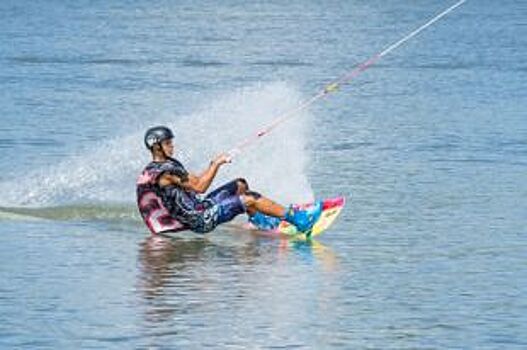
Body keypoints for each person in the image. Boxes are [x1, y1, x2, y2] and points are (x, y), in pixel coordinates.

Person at [136, 126, 322, 235]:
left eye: (171, 142)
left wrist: (213, 163)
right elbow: (200, 187)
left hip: (200, 207)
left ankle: (259, 222)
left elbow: (194, 182)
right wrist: (216, 164)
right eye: (168, 143)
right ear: (156, 147)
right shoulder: (163, 172)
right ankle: (299, 220)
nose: (172, 146)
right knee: (250, 198)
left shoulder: (169, 164)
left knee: (240, 185)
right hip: (199, 219)